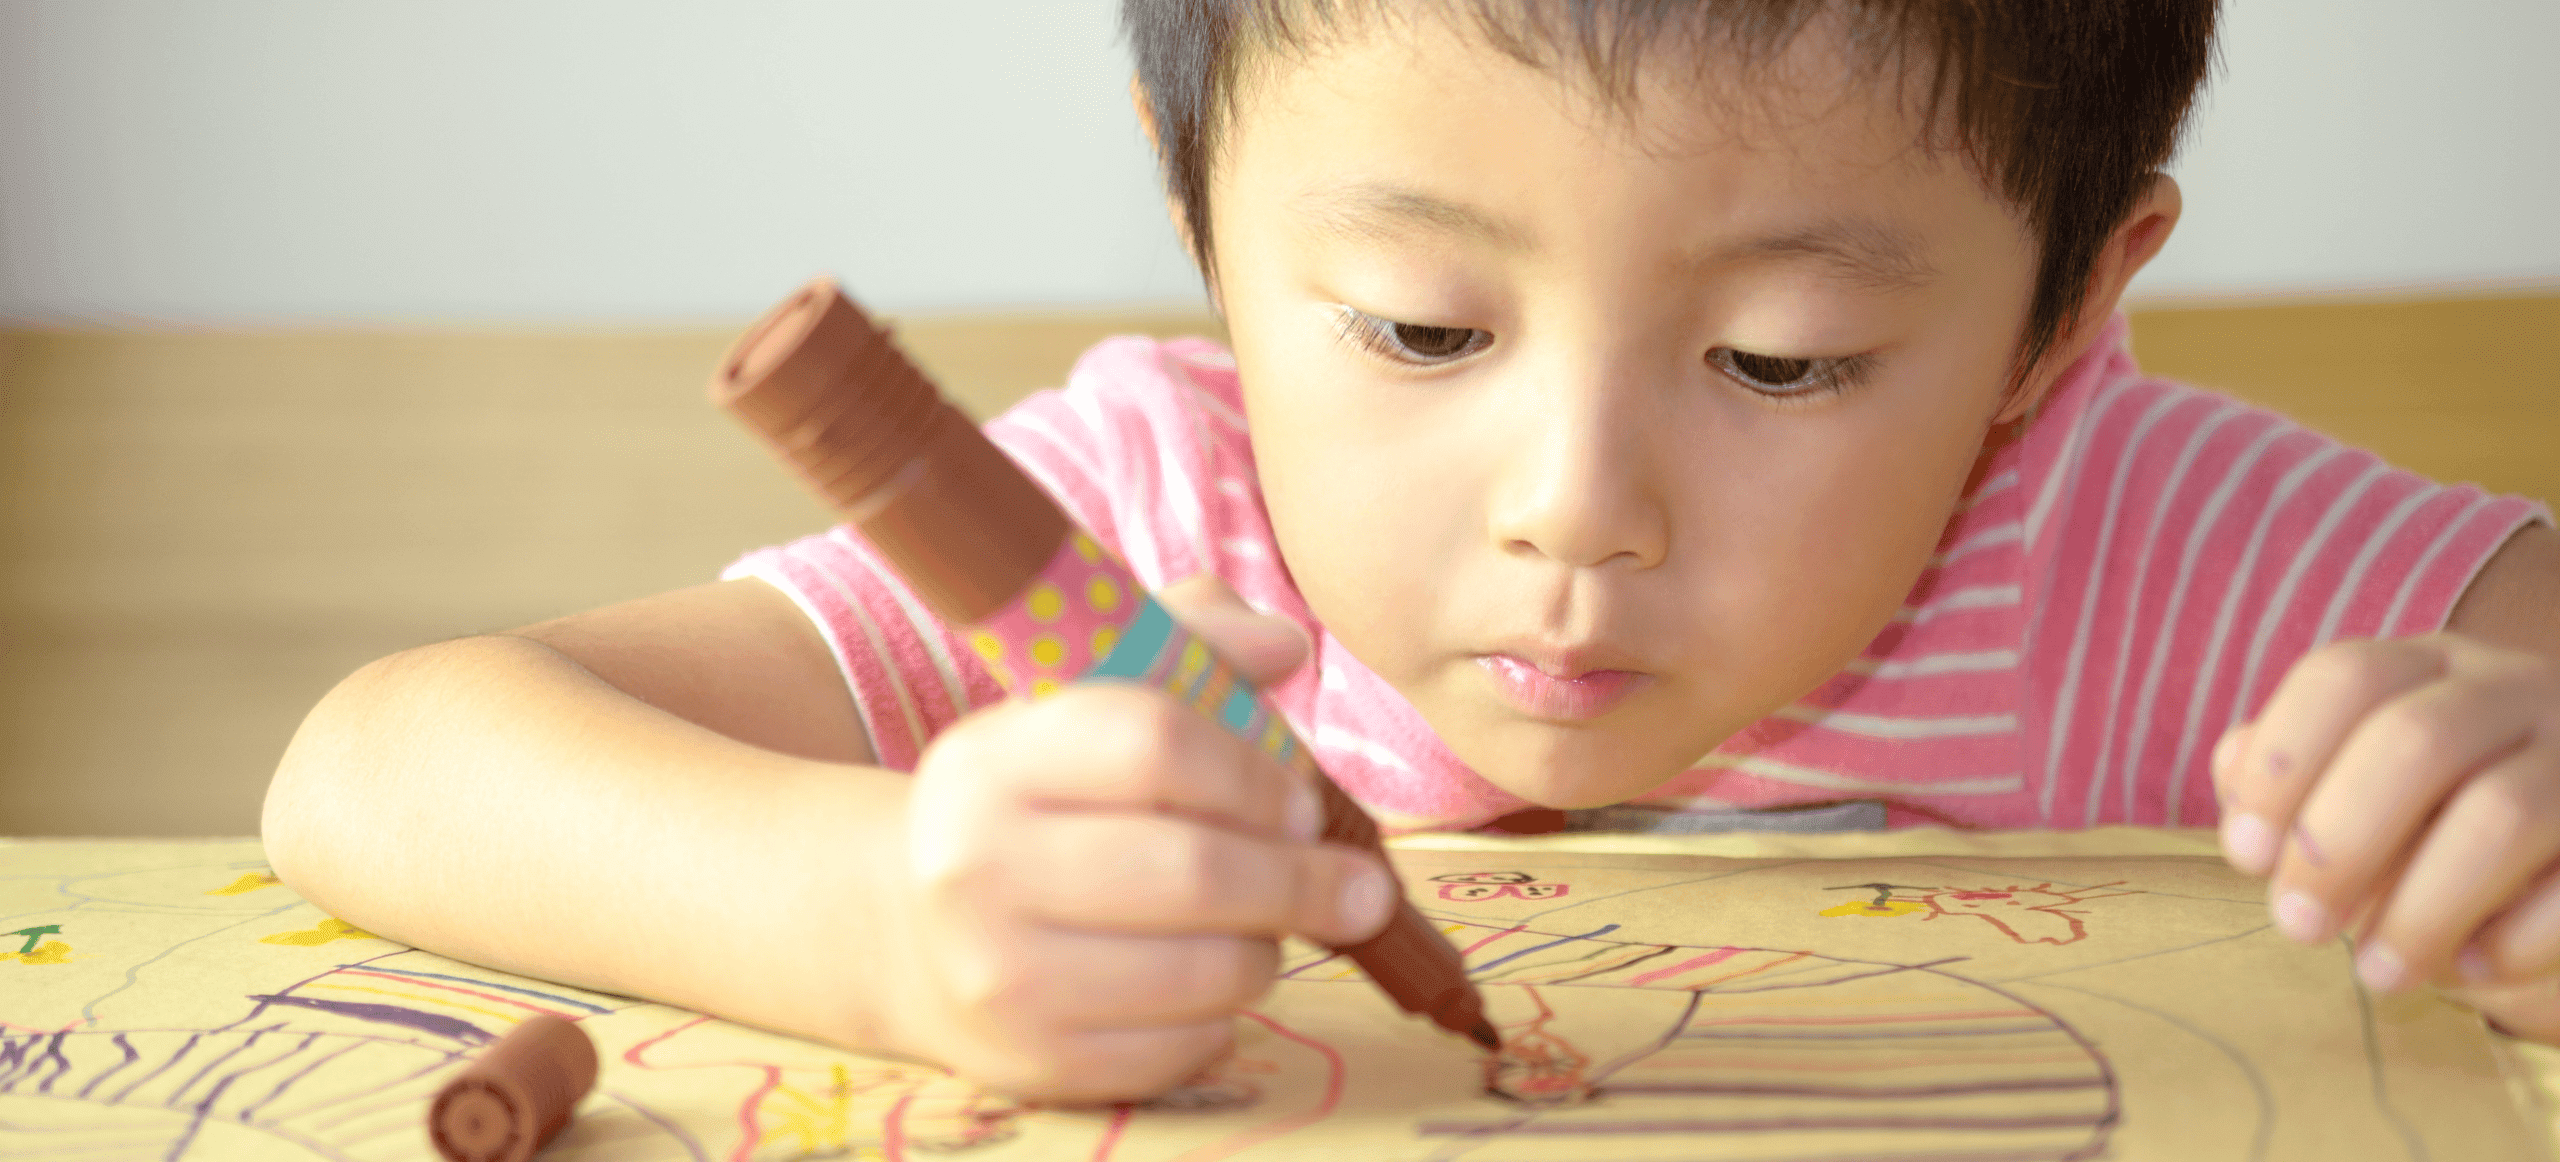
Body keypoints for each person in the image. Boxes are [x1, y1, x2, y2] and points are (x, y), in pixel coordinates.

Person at [263, 0, 2560, 1102]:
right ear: (1203, 223)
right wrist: (878, 918)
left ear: (2056, 310)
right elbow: (384, 762)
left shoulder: (2142, 550)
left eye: (1778, 359)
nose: (1574, 499)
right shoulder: (1133, 548)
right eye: (1419, 326)